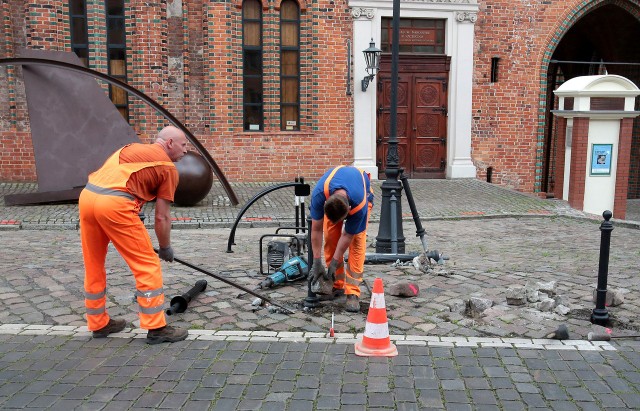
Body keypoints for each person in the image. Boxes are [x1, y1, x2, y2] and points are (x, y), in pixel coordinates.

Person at [79, 125, 189, 344]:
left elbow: (120, 181)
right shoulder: (167, 168)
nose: (186, 150)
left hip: (88, 198)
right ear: (169, 143)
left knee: (93, 264)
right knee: (147, 264)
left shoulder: (130, 149)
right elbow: (162, 217)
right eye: (184, 145)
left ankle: (99, 324)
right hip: (115, 205)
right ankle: (156, 328)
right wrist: (165, 247)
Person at [309, 165, 374, 312]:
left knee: (357, 241)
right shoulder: (319, 195)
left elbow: (347, 235)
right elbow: (316, 229)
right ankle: (336, 284)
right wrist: (317, 261)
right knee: (331, 236)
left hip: (363, 191)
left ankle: (352, 292)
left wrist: (334, 261)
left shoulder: (359, 205)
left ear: (349, 210)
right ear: (325, 204)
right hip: (337, 192)